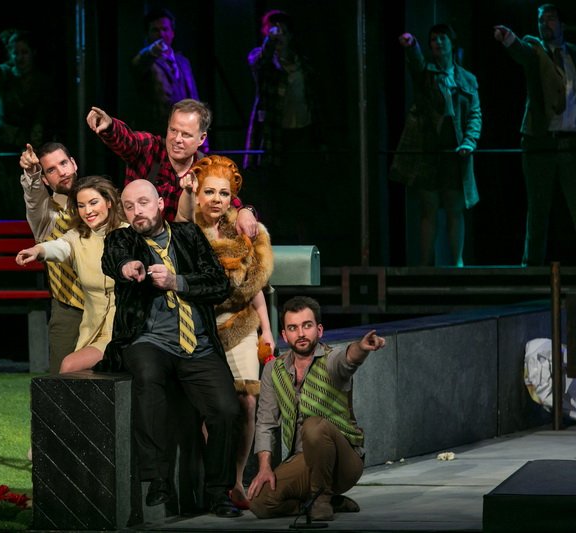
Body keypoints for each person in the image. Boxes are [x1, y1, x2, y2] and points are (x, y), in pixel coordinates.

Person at [100, 179, 242, 518]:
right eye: (129, 206)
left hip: (198, 344)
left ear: (160, 203)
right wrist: (127, 267)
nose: (137, 212)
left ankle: (218, 492)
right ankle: (158, 478)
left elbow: (219, 284)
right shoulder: (122, 239)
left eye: (143, 203)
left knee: (227, 410)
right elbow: (114, 259)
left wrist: (177, 281)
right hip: (148, 340)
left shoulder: (188, 235)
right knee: (147, 377)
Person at [176, 154, 275, 509]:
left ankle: (235, 480)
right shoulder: (187, 232)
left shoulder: (241, 229)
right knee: (212, 407)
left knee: (247, 400)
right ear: (198, 194)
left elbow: (254, 286)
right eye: (209, 192)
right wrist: (186, 192)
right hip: (200, 326)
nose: (216, 199)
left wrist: (266, 330)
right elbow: (181, 216)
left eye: (223, 193)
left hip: (241, 322)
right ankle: (213, 476)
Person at [247, 296, 386, 522]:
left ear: (319, 330)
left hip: (344, 462)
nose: (301, 333)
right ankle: (324, 501)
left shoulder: (331, 359)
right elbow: (265, 423)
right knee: (259, 502)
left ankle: (321, 500)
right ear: (284, 335)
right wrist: (264, 468)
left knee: (313, 426)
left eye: (307, 325)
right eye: (293, 328)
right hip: (304, 459)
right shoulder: (274, 369)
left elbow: (348, 359)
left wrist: (362, 348)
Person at [85, 99, 259, 238]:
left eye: (186, 134)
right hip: (137, 246)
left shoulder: (208, 169)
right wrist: (109, 126)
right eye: (173, 130)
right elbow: (127, 140)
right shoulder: (149, 149)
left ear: (202, 138)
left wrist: (246, 211)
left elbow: (231, 203)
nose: (177, 139)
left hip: (183, 254)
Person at [390, 24, 482, 267]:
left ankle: (458, 263)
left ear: (452, 43)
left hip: (455, 152)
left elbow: (475, 113)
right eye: (433, 39)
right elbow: (415, 62)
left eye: (442, 38)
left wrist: (470, 141)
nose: (438, 43)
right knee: (428, 210)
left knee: (455, 209)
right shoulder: (426, 73)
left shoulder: (467, 79)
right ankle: (425, 266)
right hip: (428, 151)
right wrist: (412, 45)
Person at [16, 175, 127, 374]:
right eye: (81, 206)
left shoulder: (129, 234)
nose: (88, 211)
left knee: (71, 366)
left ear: (109, 202)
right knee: (73, 369)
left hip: (126, 329)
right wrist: (37, 250)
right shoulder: (77, 236)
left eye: (93, 203)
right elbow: (59, 247)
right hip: (94, 331)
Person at [494, 4, 576, 267]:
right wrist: (508, 38)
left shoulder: (573, 53)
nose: (544, 24)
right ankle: (531, 269)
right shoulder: (535, 49)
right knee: (538, 208)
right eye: (541, 19)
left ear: (562, 24)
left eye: (550, 19)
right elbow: (521, 51)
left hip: (570, 143)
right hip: (540, 140)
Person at [242, 10, 324, 243]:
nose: (279, 36)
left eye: (283, 32)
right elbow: (261, 61)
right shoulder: (261, 59)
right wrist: (271, 40)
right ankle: (269, 245)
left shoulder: (302, 62)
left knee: (301, 192)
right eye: (273, 30)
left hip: (302, 133)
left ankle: (304, 244)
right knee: (271, 193)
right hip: (274, 137)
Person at [19, 142, 84, 375]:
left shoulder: (97, 203)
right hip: (68, 307)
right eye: (51, 170)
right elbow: (33, 197)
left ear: (74, 163)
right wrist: (31, 172)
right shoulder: (46, 214)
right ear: (45, 179)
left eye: (64, 163)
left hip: (108, 304)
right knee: (64, 380)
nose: (62, 172)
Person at [0, 30, 46, 220]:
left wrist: (34, 142)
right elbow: (0, 72)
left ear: (33, 53)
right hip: (0, 141)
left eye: (24, 52)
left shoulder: (41, 81)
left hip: (26, 144)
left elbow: (42, 115)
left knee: (22, 192)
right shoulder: (6, 74)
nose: (19, 57)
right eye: (15, 53)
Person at [130, 8, 200, 136]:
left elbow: (194, 98)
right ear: (147, 34)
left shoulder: (183, 62)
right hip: (155, 135)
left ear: (172, 33)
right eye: (155, 30)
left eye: (165, 29)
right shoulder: (146, 61)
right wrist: (152, 51)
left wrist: (201, 135)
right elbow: (138, 63)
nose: (161, 34)